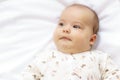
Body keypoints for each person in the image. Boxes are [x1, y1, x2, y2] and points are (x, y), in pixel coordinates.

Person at [22, 4, 120, 80]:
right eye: (61, 24)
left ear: (91, 39)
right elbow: (29, 74)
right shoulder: (46, 57)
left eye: (76, 26)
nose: (66, 29)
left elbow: (114, 75)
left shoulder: (100, 58)